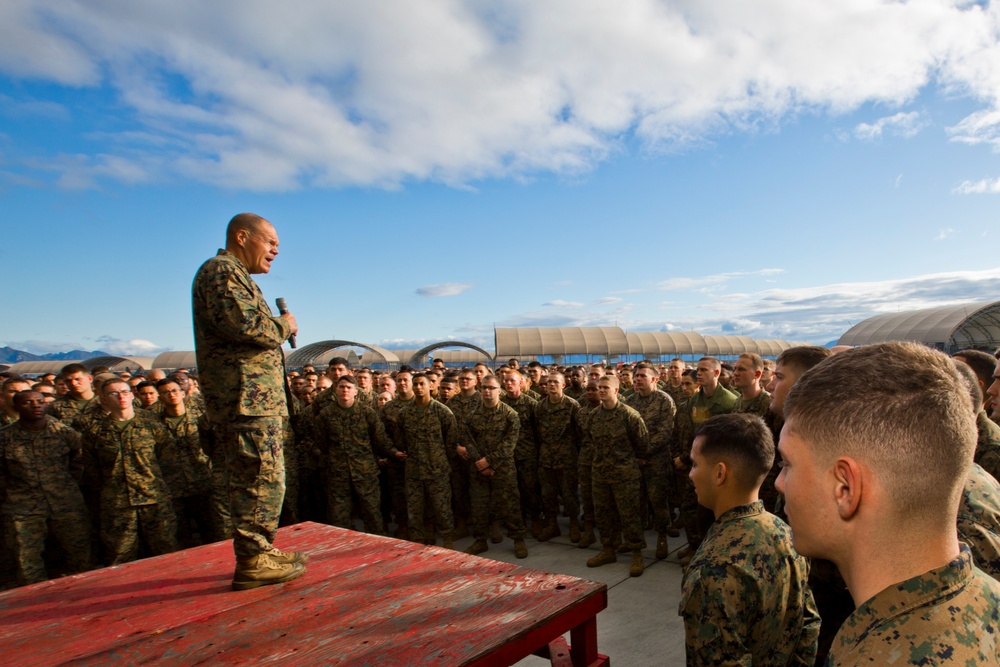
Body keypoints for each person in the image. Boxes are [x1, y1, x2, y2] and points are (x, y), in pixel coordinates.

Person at [776, 342, 1000, 665]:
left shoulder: (877, 655)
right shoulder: (987, 598)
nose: (779, 482)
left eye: (787, 464)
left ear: (845, 488)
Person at [192, 212, 305, 590]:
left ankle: (260, 550)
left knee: (263, 479)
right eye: (270, 242)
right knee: (259, 480)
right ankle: (253, 560)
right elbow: (245, 325)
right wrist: (285, 324)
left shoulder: (234, 274)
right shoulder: (222, 271)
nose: (276, 250)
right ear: (242, 237)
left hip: (252, 401)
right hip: (246, 400)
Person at [681, 413, 820, 666]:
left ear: (720, 473)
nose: (690, 474)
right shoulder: (787, 533)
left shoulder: (711, 570)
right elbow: (808, 623)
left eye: (695, 464)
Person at [79, 379, 178, 566]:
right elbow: (91, 470)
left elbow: (168, 460)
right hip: (117, 503)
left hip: (154, 498)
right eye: (113, 393)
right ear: (103, 399)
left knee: (166, 550)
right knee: (120, 554)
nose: (121, 397)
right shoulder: (95, 432)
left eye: (124, 392)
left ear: (132, 395)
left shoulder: (152, 425)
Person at [0, 390, 93, 585]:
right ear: (16, 407)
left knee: (80, 553)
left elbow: (80, 462)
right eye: (28, 402)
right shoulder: (5, 437)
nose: (36, 405)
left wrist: (66, 483)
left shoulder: (64, 432)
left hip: (65, 502)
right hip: (23, 506)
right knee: (26, 558)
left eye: (40, 401)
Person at [314, 376, 404, 534]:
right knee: (338, 516)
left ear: (356, 391)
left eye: (349, 387)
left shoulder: (367, 413)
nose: (345, 390)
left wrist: (394, 453)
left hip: (365, 472)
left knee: (372, 513)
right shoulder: (326, 415)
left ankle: (377, 543)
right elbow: (321, 442)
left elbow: (380, 439)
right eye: (342, 387)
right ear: (336, 390)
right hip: (338, 474)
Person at [583, 376, 649, 576]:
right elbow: (590, 440)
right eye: (599, 388)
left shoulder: (629, 415)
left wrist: (629, 460)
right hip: (601, 473)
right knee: (603, 514)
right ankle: (608, 549)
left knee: (629, 514)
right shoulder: (594, 416)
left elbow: (642, 443)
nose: (601, 391)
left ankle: (636, 553)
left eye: (606, 387)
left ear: (616, 390)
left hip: (624, 474)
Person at [461, 375, 528, 558]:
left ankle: (518, 539)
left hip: (503, 468)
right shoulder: (472, 415)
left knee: (510, 503)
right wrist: (480, 462)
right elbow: (468, 440)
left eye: (491, 388)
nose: (487, 391)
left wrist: (489, 461)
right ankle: (480, 540)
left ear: (499, 390)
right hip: (479, 468)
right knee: (479, 505)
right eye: (484, 388)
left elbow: (509, 443)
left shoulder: (510, 415)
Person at [625, 362, 679, 559]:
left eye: (642, 376)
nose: (638, 379)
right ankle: (636, 542)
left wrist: (644, 453)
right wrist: (635, 455)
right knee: (635, 501)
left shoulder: (664, 400)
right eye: (636, 376)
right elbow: (626, 431)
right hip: (635, 460)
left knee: (658, 501)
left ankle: (662, 536)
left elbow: (665, 432)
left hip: (657, 460)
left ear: (655, 379)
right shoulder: (630, 401)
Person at [397, 373, 457, 548]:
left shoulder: (443, 412)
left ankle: (447, 538)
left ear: (431, 386)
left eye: (422, 384)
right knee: (415, 508)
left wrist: (441, 461)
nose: (418, 387)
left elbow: (451, 442)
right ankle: (418, 539)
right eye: (415, 384)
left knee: (442, 507)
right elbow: (401, 440)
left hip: (437, 469)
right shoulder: (404, 413)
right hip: (414, 469)